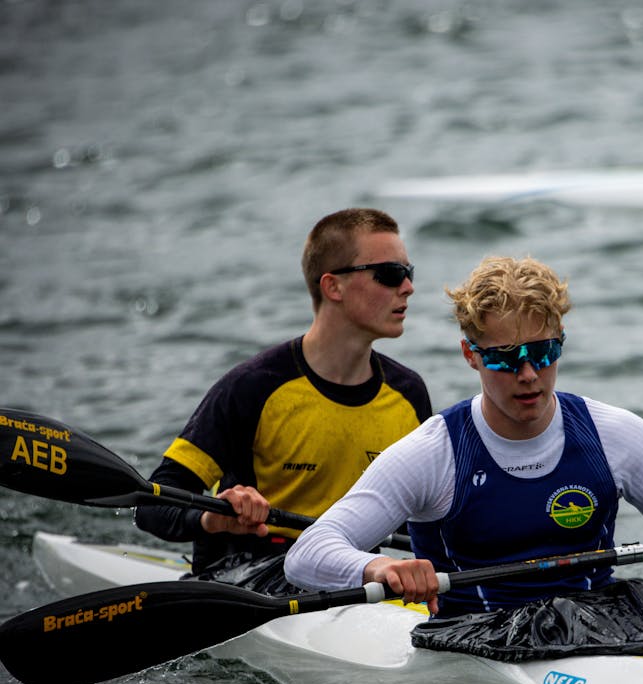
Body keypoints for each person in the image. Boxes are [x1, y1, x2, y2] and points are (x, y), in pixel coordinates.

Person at [284, 255, 643, 622]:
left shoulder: (615, 436)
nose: (528, 375)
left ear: (560, 344)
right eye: (504, 358)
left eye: (543, 353)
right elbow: (309, 556)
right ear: (471, 355)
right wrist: (379, 567)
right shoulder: (434, 453)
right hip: (473, 643)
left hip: (599, 629)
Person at [135, 208, 432, 593]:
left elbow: (430, 521)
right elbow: (151, 505)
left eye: (410, 274)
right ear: (333, 287)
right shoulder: (253, 388)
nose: (407, 287)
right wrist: (214, 517)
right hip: (246, 574)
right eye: (390, 274)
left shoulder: (408, 395)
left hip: (356, 574)